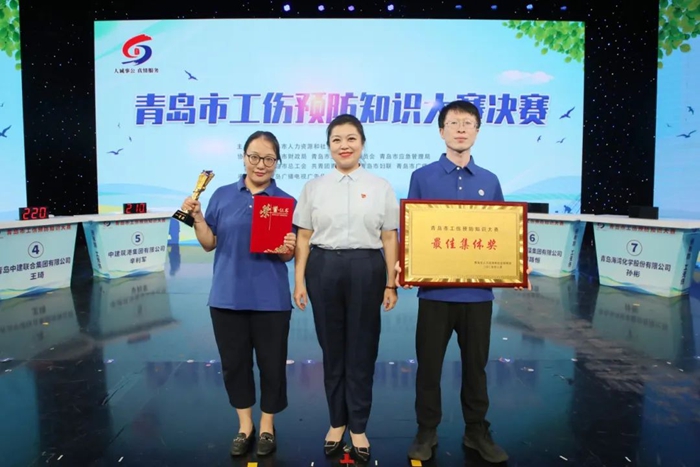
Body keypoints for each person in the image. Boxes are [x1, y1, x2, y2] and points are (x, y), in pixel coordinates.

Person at [395, 100, 529, 463]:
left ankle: (476, 431)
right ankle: (426, 430)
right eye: (453, 123)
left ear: (477, 132)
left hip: (477, 295)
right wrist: (404, 263)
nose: (460, 129)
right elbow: (411, 230)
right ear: (441, 131)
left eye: (468, 123)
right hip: (434, 293)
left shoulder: (489, 180)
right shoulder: (422, 177)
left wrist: (516, 265)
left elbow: (502, 234)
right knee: (429, 367)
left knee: (476, 368)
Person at [180, 131, 296, 458]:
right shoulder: (221, 195)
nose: (261, 164)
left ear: (277, 162)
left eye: (269, 159)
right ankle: (245, 426)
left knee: (272, 365)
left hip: (271, 299)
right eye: (254, 157)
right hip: (227, 297)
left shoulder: (286, 202)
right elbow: (209, 242)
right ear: (244, 157)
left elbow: (287, 255)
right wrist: (198, 218)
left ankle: (268, 425)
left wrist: (287, 247)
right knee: (235, 365)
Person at [292, 114, 400, 462]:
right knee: (333, 349)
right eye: (336, 139)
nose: (344, 145)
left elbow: (389, 237)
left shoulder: (381, 186)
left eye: (351, 138)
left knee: (362, 349)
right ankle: (337, 422)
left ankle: (359, 426)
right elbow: (303, 237)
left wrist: (391, 282)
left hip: (367, 267)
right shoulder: (314, 187)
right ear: (328, 146)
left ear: (362, 144)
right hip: (323, 267)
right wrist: (299, 280)